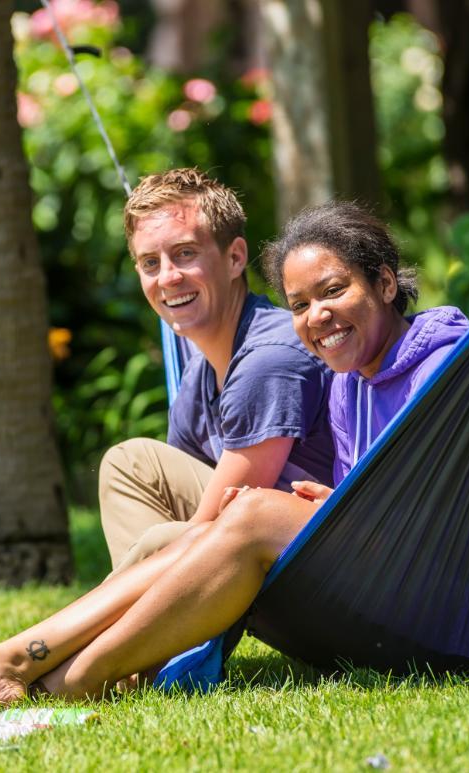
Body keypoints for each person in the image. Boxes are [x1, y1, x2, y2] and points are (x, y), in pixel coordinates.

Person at [0, 202, 468, 712]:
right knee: (176, 485)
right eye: (300, 303)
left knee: (245, 513)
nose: (315, 317)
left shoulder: (444, 365)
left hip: (439, 612)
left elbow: (456, 506)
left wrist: (344, 508)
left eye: (333, 291)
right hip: (368, 579)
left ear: (385, 283)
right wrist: (341, 503)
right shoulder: (351, 379)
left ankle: (44, 674)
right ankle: (26, 668)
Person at [99, 169, 335, 572]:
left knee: (161, 543)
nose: (168, 278)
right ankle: (157, 630)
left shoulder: (270, 358)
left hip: (319, 557)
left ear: (235, 257)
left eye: (186, 253)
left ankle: (80, 632)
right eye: (150, 263)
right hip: (249, 542)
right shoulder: (198, 378)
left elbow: (206, 530)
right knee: (129, 463)